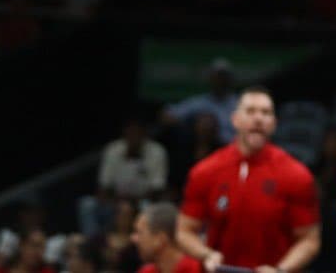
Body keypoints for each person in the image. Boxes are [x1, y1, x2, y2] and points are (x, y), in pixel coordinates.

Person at [178, 86, 321, 272]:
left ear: (274, 123)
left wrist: (281, 269)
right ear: (235, 120)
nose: (258, 118)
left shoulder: (297, 175)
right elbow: (184, 230)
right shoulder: (205, 171)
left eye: (265, 112)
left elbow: (309, 239)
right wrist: (206, 254)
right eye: (250, 111)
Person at [81, 118, 169, 234]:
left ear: (144, 134)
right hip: (116, 200)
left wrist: (133, 202)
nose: (134, 137)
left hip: (144, 200)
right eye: (130, 133)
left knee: (149, 206)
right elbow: (104, 186)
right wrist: (116, 202)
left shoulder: (157, 151)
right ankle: (93, 243)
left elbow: (158, 188)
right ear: (124, 134)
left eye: (137, 133)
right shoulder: (113, 150)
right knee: (87, 204)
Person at [133, 203, 203, 273]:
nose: (134, 238)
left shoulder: (197, 269)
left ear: (160, 239)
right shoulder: (146, 271)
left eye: (140, 233)